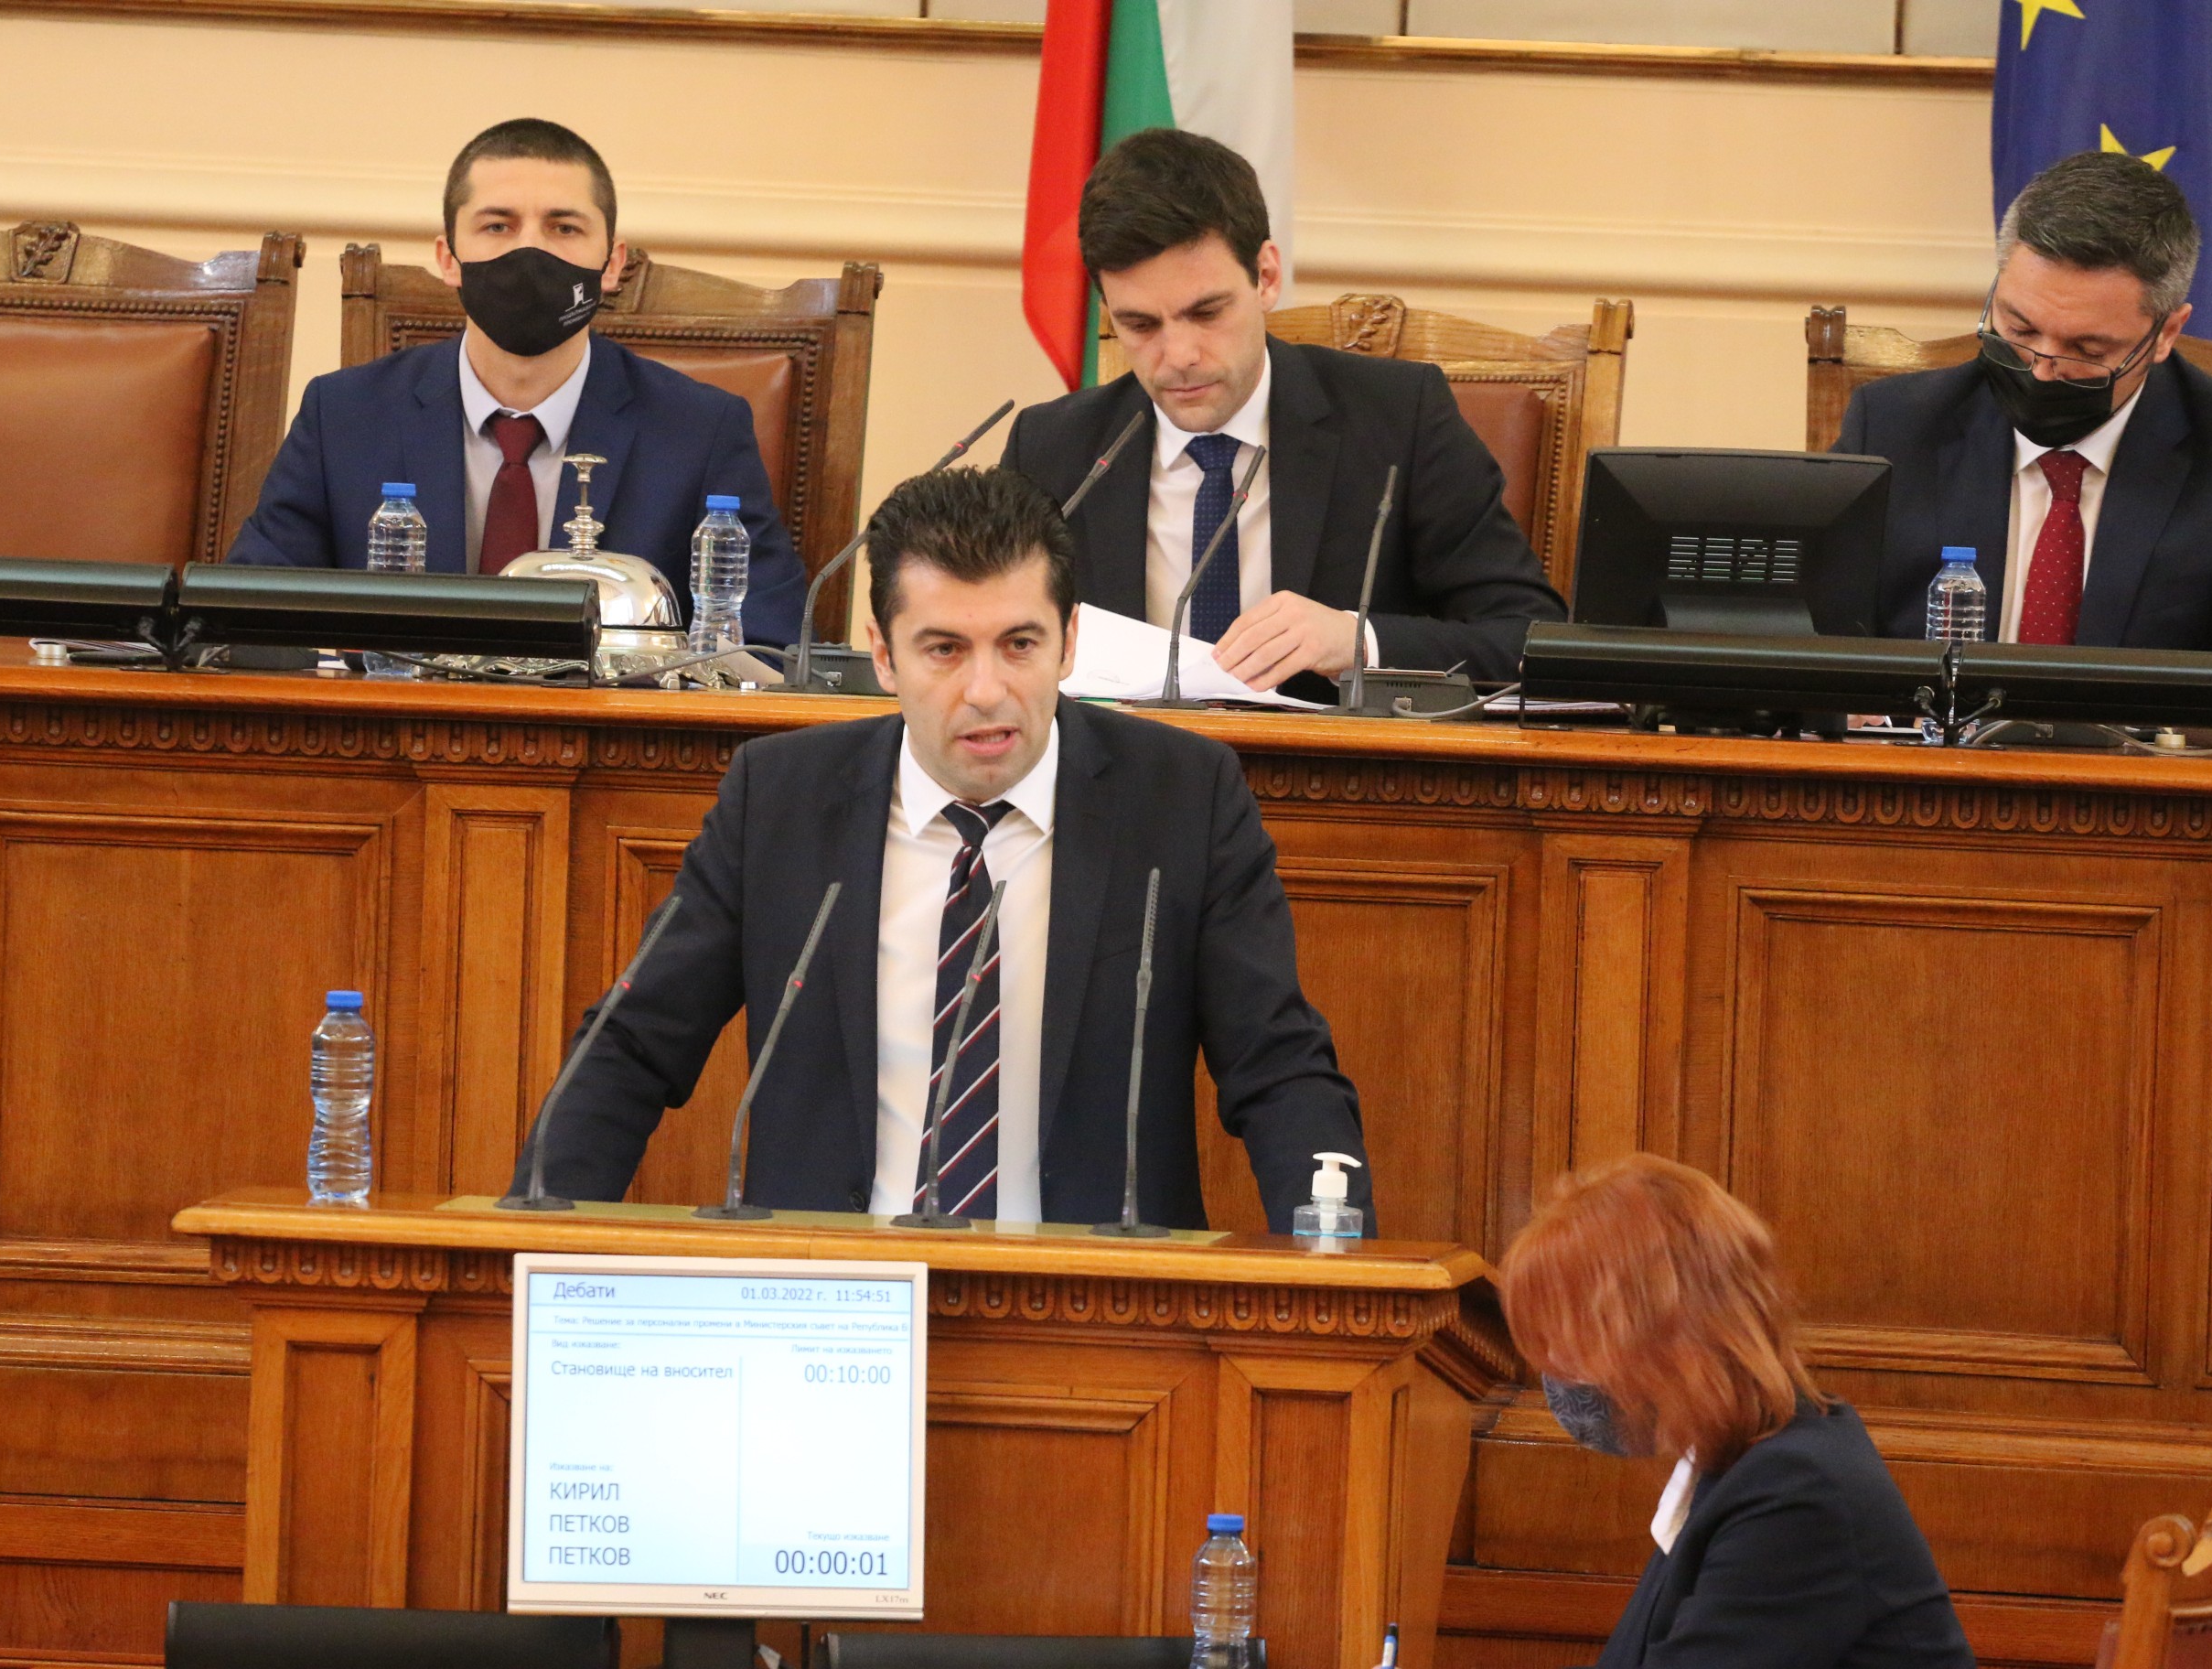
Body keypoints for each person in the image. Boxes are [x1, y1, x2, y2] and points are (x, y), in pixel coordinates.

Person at [507, 466, 1369, 1230]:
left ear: (1070, 641)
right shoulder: (782, 800)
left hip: (1094, 1309)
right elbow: (633, 1044)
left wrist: (1334, 1262)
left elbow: (1278, 1066)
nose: (986, 690)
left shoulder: (1180, 798)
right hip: (832, 1302)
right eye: (945, 650)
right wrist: (531, 1242)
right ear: (884, 656)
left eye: (1019, 645)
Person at [997, 128, 1564, 695]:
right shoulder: (1055, 448)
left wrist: (1357, 641)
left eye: (1206, 313)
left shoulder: (1399, 419)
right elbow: (995, 638)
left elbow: (1532, 639)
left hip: (1334, 752)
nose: (1179, 357)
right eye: (1141, 325)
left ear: (1266, 277)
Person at [225, 118, 807, 645]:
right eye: (498, 225)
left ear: (611, 264)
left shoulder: (701, 430)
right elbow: (249, 623)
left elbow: (769, 645)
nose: (530, 251)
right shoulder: (342, 415)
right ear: (448, 258)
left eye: (564, 227)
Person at [1503, 1155, 1973, 1669]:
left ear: (1665, 1333)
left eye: (1572, 1341)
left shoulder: (1796, 1492)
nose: (1559, 1369)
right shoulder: (1736, 1463)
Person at [1839, 150, 2212, 650]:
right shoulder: (1893, 430)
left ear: (2166, 334)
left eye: (2088, 350)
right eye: (2019, 329)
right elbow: (1824, 636)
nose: (2041, 369)